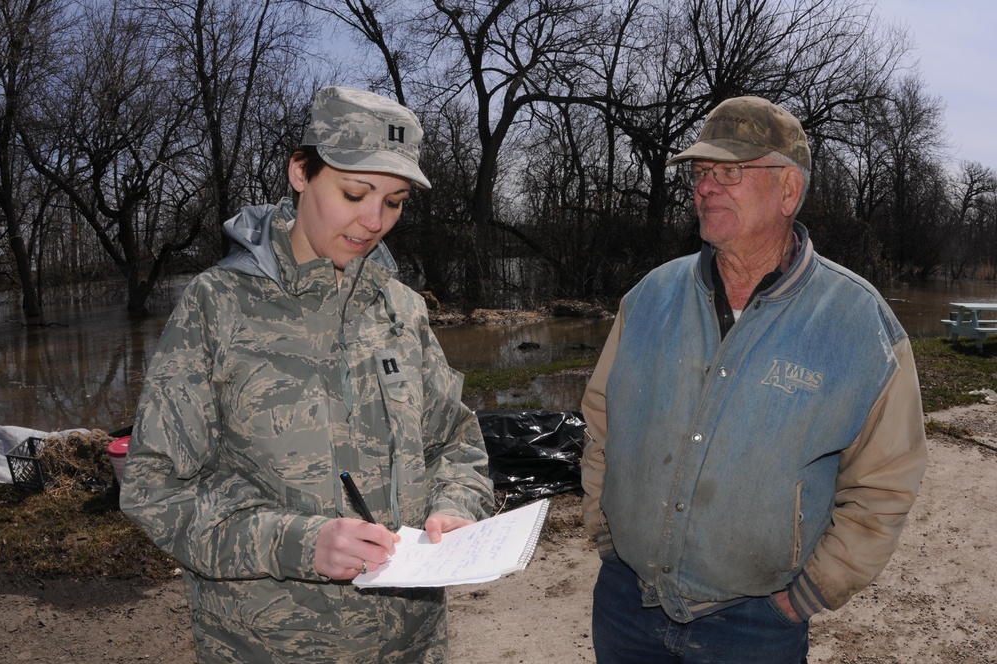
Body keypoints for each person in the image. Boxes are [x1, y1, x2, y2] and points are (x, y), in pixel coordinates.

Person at [120, 86, 494, 663]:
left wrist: (456, 508)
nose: (374, 221)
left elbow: (455, 444)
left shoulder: (402, 309)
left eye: (394, 202)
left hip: (411, 644)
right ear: (300, 172)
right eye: (354, 192)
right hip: (267, 646)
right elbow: (153, 487)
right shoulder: (215, 306)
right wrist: (299, 543)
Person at [580, 96, 928, 663]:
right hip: (626, 606)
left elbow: (885, 485)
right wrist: (606, 534)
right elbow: (600, 425)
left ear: (789, 190)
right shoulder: (648, 299)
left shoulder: (858, 323)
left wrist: (804, 597)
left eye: (730, 172)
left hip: (756, 626)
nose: (706, 187)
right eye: (700, 173)